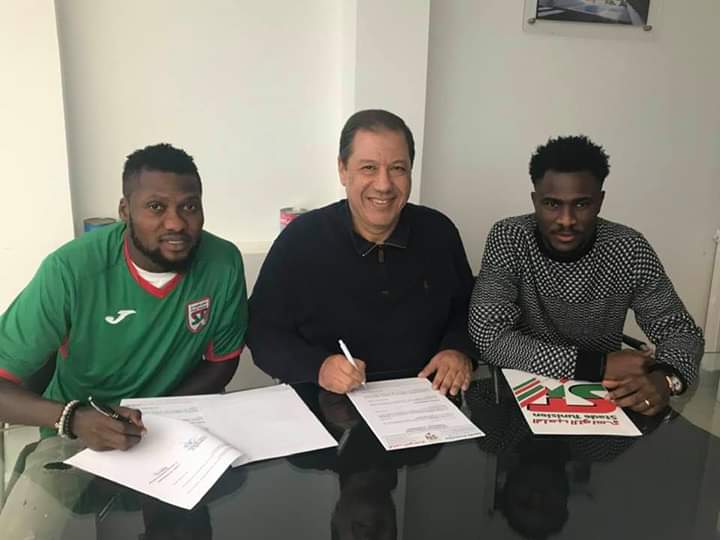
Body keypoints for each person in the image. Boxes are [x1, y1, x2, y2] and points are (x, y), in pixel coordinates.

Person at [0, 143, 247, 537]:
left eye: (189, 206)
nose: (176, 223)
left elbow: (223, 361)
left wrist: (155, 417)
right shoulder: (69, 270)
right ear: (124, 211)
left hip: (171, 433)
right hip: (74, 438)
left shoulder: (223, 261)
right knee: (24, 533)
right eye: (156, 207)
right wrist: (74, 418)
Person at [468, 135, 703, 416]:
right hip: (517, 395)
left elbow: (680, 331)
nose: (566, 220)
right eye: (552, 204)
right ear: (534, 200)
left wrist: (667, 379)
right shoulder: (510, 237)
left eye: (581, 204)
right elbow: (489, 336)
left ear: (600, 201)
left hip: (604, 399)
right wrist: (597, 365)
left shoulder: (628, 248)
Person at [248, 109, 476, 396]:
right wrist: (318, 368)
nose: (383, 185)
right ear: (343, 170)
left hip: (425, 401)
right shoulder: (301, 239)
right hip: (326, 403)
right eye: (368, 168)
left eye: (397, 168)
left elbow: (469, 310)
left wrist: (457, 350)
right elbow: (262, 332)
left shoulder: (439, 232)